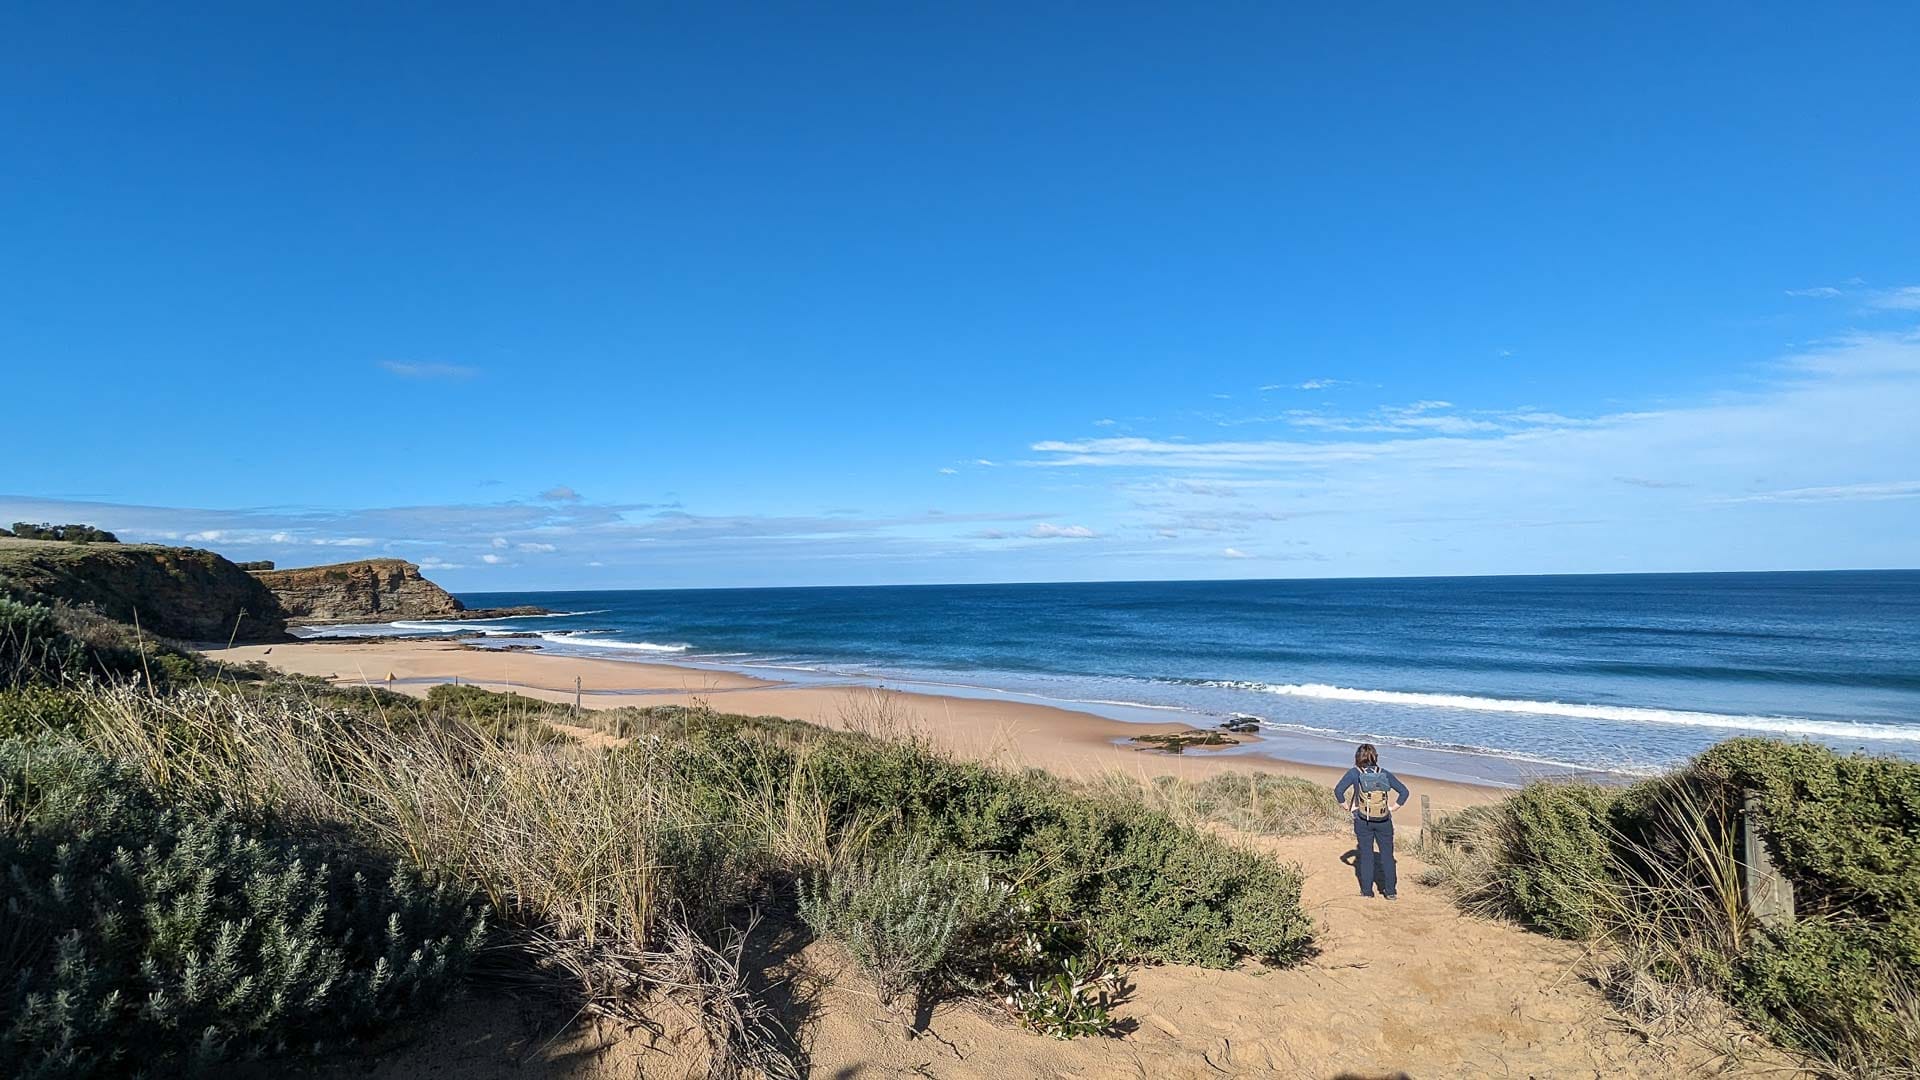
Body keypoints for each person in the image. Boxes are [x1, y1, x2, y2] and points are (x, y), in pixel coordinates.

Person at [1334, 743, 1410, 900]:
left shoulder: (1354, 773)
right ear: (1375, 757)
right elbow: (1404, 792)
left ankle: (1367, 892)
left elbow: (1338, 791)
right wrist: (1393, 808)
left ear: (1357, 757)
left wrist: (1348, 807)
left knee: (1367, 856)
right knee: (1387, 856)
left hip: (1363, 820)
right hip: (1384, 820)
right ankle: (1390, 892)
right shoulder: (1384, 773)